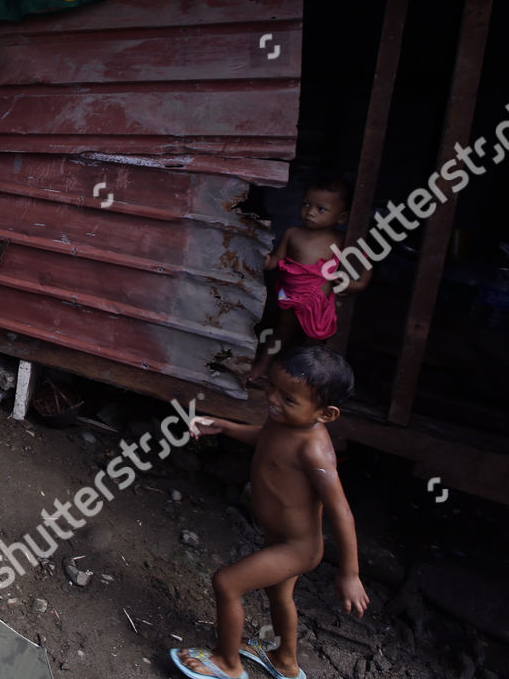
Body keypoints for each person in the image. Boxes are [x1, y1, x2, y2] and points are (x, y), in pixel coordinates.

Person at [175, 345, 369, 679]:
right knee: (279, 595)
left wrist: (350, 573)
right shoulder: (284, 421)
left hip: (298, 547)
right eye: (272, 388)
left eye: (289, 399)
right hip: (279, 537)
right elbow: (265, 439)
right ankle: (285, 661)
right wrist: (226, 427)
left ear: (326, 414)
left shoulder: (315, 451)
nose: (274, 400)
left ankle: (228, 663)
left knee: (227, 583)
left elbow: (341, 512)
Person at [247, 178, 369, 385]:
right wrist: (268, 261)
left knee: (313, 343)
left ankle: (306, 382)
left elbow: (365, 263)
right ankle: (261, 367)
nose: (310, 212)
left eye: (321, 209)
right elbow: (278, 260)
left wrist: (358, 284)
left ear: (342, 217)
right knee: (280, 334)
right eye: (306, 204)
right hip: (291, 296)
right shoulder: (293, 233)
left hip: (317, 302)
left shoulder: (341, 240)